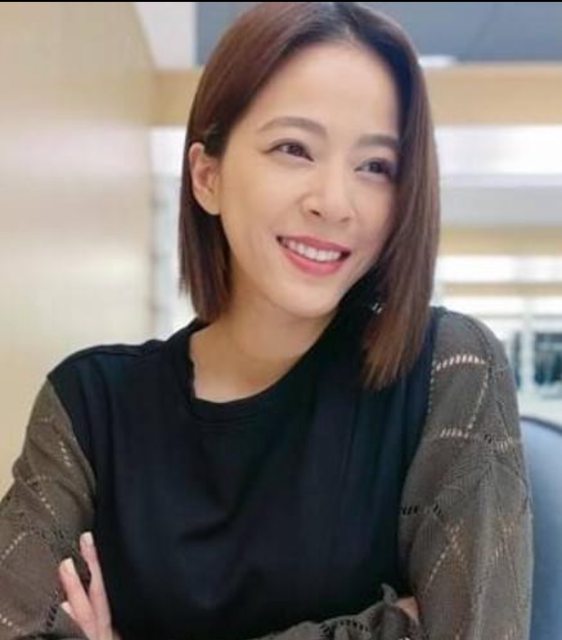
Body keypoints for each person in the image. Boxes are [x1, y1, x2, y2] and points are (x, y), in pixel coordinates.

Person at [0, 2, 533, 639]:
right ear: (207, 176)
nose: (335, 202)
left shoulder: (448, 372)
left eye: (375, 166)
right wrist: (390, 627)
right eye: (293, 148)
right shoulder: (88, 405)